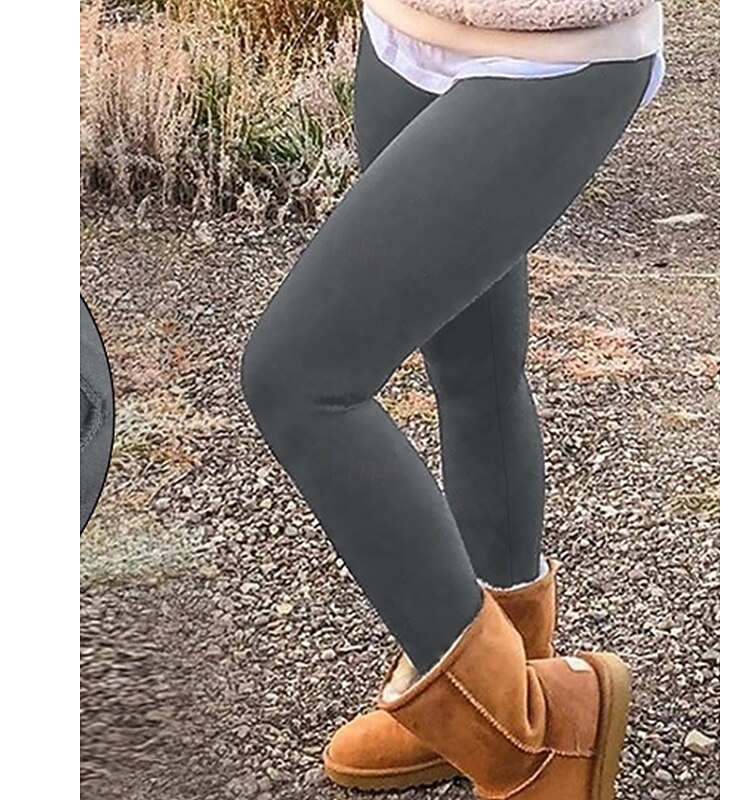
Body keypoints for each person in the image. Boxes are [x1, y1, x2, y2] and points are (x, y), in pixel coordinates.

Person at [241, 1, 665, 797]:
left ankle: (523, 738)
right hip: (406, 29)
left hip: (556, 46)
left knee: (300, 379)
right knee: (471, 364)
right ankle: (507, 670)